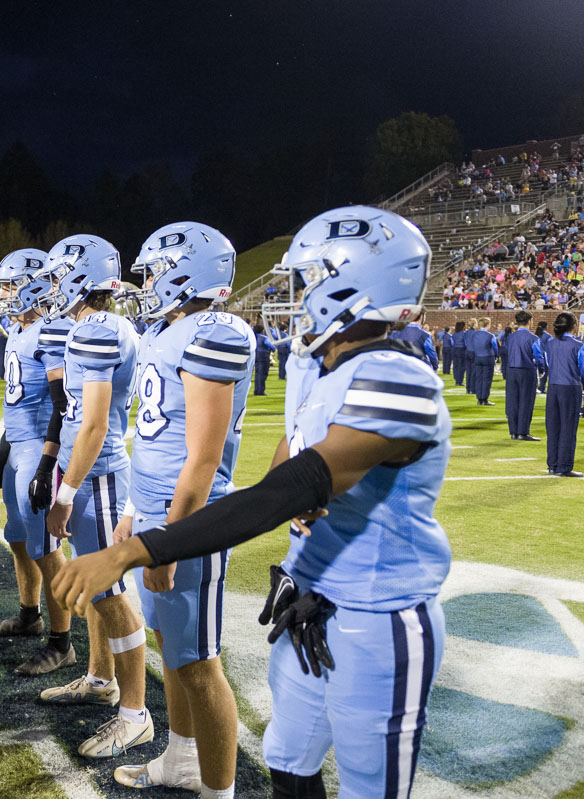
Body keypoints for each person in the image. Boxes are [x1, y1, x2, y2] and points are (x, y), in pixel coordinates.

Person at [55, 206, 452, 799]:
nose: (299, 294)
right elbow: (291, 470)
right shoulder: (318, 366)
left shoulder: (399, 378)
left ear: (355, 281)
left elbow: (289, 488)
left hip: (380, 616)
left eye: (312, 279)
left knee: (371, 788)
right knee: (287, 762)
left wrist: (140, 548)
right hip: (312, 603)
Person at [112, 223, 250, 797]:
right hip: (151, 512)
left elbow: (202, 457)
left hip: (187, 521)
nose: (145, 285)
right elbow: (155, 438)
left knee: (199, 660)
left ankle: (219, 789)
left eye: (152, 271)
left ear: (182, 271)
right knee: (172, 645)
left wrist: (169, 538)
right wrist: (129, 510)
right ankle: (181, 759)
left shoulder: (215, 332)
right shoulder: (172, 332)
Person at [35, 234, 153, 759]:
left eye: (61, 275)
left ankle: (136, 714)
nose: (53, 286)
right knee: (99, 588)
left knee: (110, 593)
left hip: (100, 476)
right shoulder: (101, 325)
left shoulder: (98, 330)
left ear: (83, 278)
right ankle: (101, 678)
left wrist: (66, 493)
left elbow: (96, 424)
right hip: (95, 471)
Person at [0, 250, 77, 675]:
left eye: (9, 285)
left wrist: (45, 464)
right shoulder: (20, 331)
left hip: (40, 449)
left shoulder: (54, 330)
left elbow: (62, 405)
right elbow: (19, 399)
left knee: (47, 549)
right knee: (18, 539)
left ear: (35, 285)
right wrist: (5, 449)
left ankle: (62, 642)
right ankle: (29, 615)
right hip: (18, 448)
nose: (2, 295)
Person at [543, 313, 584, 477]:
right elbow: (582, 368)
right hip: (570, 387)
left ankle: (552, 464)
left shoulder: (550, 343)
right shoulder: (578, 344)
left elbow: (547, 364)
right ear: (574, 325)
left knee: (553, 427)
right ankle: (564, 466)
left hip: (553, 387)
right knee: (568, 427)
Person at [506, 310, 544, 441]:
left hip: (511, 370)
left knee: (512, 402)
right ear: (529, 321)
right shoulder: (533, 338)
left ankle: (513, 432)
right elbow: (538, 357)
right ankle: (523, 432)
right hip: (527, 371)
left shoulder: (510, 336)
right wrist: (542, 369)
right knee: (525, 402)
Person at [469, 317, 498, 405]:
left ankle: (479, 399)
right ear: (487, 325)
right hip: (488, 358)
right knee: (486, 379)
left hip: (477, 357)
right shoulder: (490, 335)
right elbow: (495, 347)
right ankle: (484, 399)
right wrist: (496, 356)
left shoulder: (474, 335)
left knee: (478, 378)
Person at [253, 324, 272, 395]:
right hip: (263, 357)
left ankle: (256, 390)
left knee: (258, 374)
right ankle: (260, 390)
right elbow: (270, 345)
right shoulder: (264, 338)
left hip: (256, 356)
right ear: (262, 330)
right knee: (263, 374)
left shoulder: (253, 337)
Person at [451, 320, 469, 386]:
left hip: (454, 349)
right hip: (462, 350)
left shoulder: (454, 334)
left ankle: (456, 379)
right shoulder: (464, 334)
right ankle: (459, 381)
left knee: (455, 365)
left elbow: (452, 342)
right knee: (462, 366)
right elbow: (466, 343)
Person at [537, 320, 552, 393]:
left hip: (535, 355)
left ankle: (537, 387)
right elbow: (551, 347)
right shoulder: (548, 336)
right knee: (545, 372)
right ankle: (542, 387)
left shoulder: (535, 335)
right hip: (544, 356)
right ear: (546, 327)